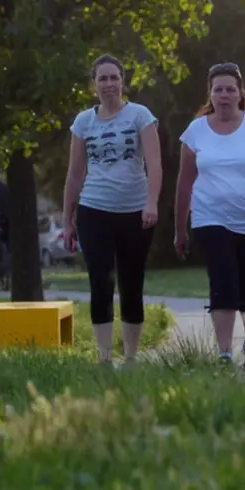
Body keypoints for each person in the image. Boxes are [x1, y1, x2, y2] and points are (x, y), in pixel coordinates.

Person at [174, 62, 245, 375]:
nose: (223, 94)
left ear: (240, 93)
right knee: (222, 283)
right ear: (210, 94)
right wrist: (180, 229)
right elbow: (184, 182)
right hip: (209, 219)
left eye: (229, 89)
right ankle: (223, 356)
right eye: (218, 89)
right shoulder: (195, 131)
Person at [62, 53, 162, 366]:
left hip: (135, 211)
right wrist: (68, 219)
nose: (109, 84)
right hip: (94, 210)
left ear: (122, 81)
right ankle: (104, 359)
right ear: (94, 84)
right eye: (102, 78)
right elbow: (75, 173)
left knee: (132, 282)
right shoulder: (83, 122)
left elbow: (155, 164)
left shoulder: (140, 115)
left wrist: (151, 202)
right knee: (100, 282)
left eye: (114, 78)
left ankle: (131, 359)